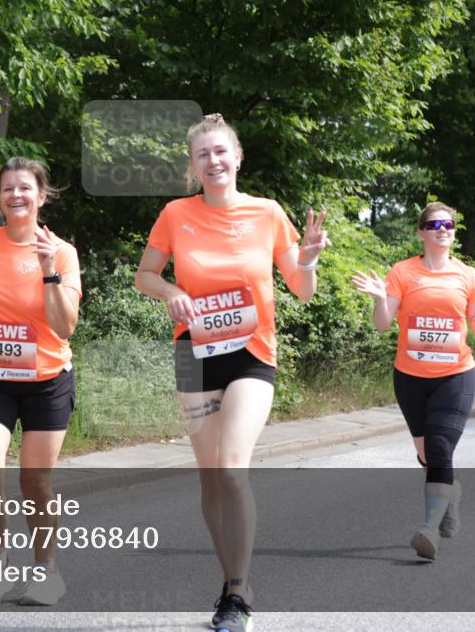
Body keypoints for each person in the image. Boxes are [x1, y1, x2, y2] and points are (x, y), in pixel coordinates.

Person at [135, 114, 328, 632]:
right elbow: (144, 275)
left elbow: (301, 289)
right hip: (195, 356)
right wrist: (172, 291)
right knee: (210, 478)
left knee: (231, 468)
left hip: (251, 355)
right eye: (203, 155)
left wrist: (306, 260)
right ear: (193, 166)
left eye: (221, 152)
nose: (213, 161)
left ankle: (237, 595)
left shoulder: (267, 213)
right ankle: (230, 580)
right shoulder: (176, 213)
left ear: (237, 157)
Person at [351, 202, 475, 561]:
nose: (442, 229)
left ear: (453, 232)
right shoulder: (403, 272)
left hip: (455, 375)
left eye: (448, 224)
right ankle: (450, 492)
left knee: (439, 447)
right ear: (421, 233)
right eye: (434, 224)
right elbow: (383, 323)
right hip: (409, 377)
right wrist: (379, 299)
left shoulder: (467, 276)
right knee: (426, 455)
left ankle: (429, 529)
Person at [0, 157, 81, 611]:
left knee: (34, 483)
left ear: (41, 196)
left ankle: (47, 571)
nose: (16, 195)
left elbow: (65, 327)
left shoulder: (61, 251)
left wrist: (49, 271)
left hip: (47, 380)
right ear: (0, 197)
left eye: (25, 188)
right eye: (8, 188)